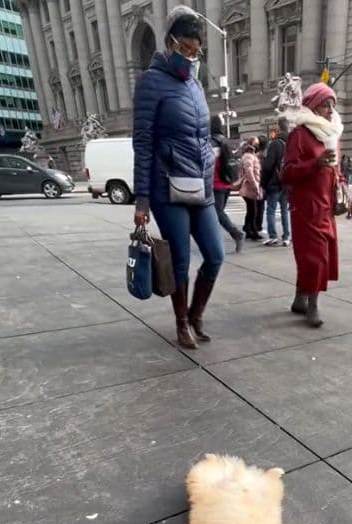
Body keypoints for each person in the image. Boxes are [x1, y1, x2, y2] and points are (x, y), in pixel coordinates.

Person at [132, 5, 223, 350]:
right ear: (170, 42)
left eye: (196, 50)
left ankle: (197, 315)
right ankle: (182, 322)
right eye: (185, 48)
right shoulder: (150, 82)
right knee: (181, 261)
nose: (191, 55)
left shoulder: (196, 86)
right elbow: (142, 143)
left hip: (200, 186)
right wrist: (142, 199)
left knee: (215, 255)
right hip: (166, 188)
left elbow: (200, 137)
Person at [282, 82, 352, 327]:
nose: (330, 110)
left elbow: (336, 171)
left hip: (325, 206)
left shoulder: (332, 134)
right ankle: (312, 305)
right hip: (305, 208)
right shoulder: (300, 135)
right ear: (313, 106)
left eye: (332, 105)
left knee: (319, 256)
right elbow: (287, 173)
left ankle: (299, 298)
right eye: (325, 104)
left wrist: (345, 191)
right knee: (315, 258)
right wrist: (315, 164)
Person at [209, 114, 244, 251]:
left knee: (217, 212)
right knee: (218, 212)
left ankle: (236, 233)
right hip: (227, 182)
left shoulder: (211, 142)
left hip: (215, 183)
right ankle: (215, 239)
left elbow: (208, 163)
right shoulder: (227, 141)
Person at [261, 116, 291, 247]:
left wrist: (263, 183)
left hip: (274, 182)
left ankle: (273, 236)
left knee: (271, 210)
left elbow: (267, 166)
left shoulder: (275, 144)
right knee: (284, 210)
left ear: (278, 127)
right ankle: (286, 236)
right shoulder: (292, 143)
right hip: (286, 182)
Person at [239, 137, 264, 240]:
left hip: (251, 185)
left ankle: (248, 229)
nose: (257, 145)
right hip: (250, 186)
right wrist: (255, 185)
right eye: (256, 143)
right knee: (253, 210)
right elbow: (249, 172)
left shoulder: (250, 154)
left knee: (251, 210)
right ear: (252, 144)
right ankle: (253, 231)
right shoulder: (249, 155)